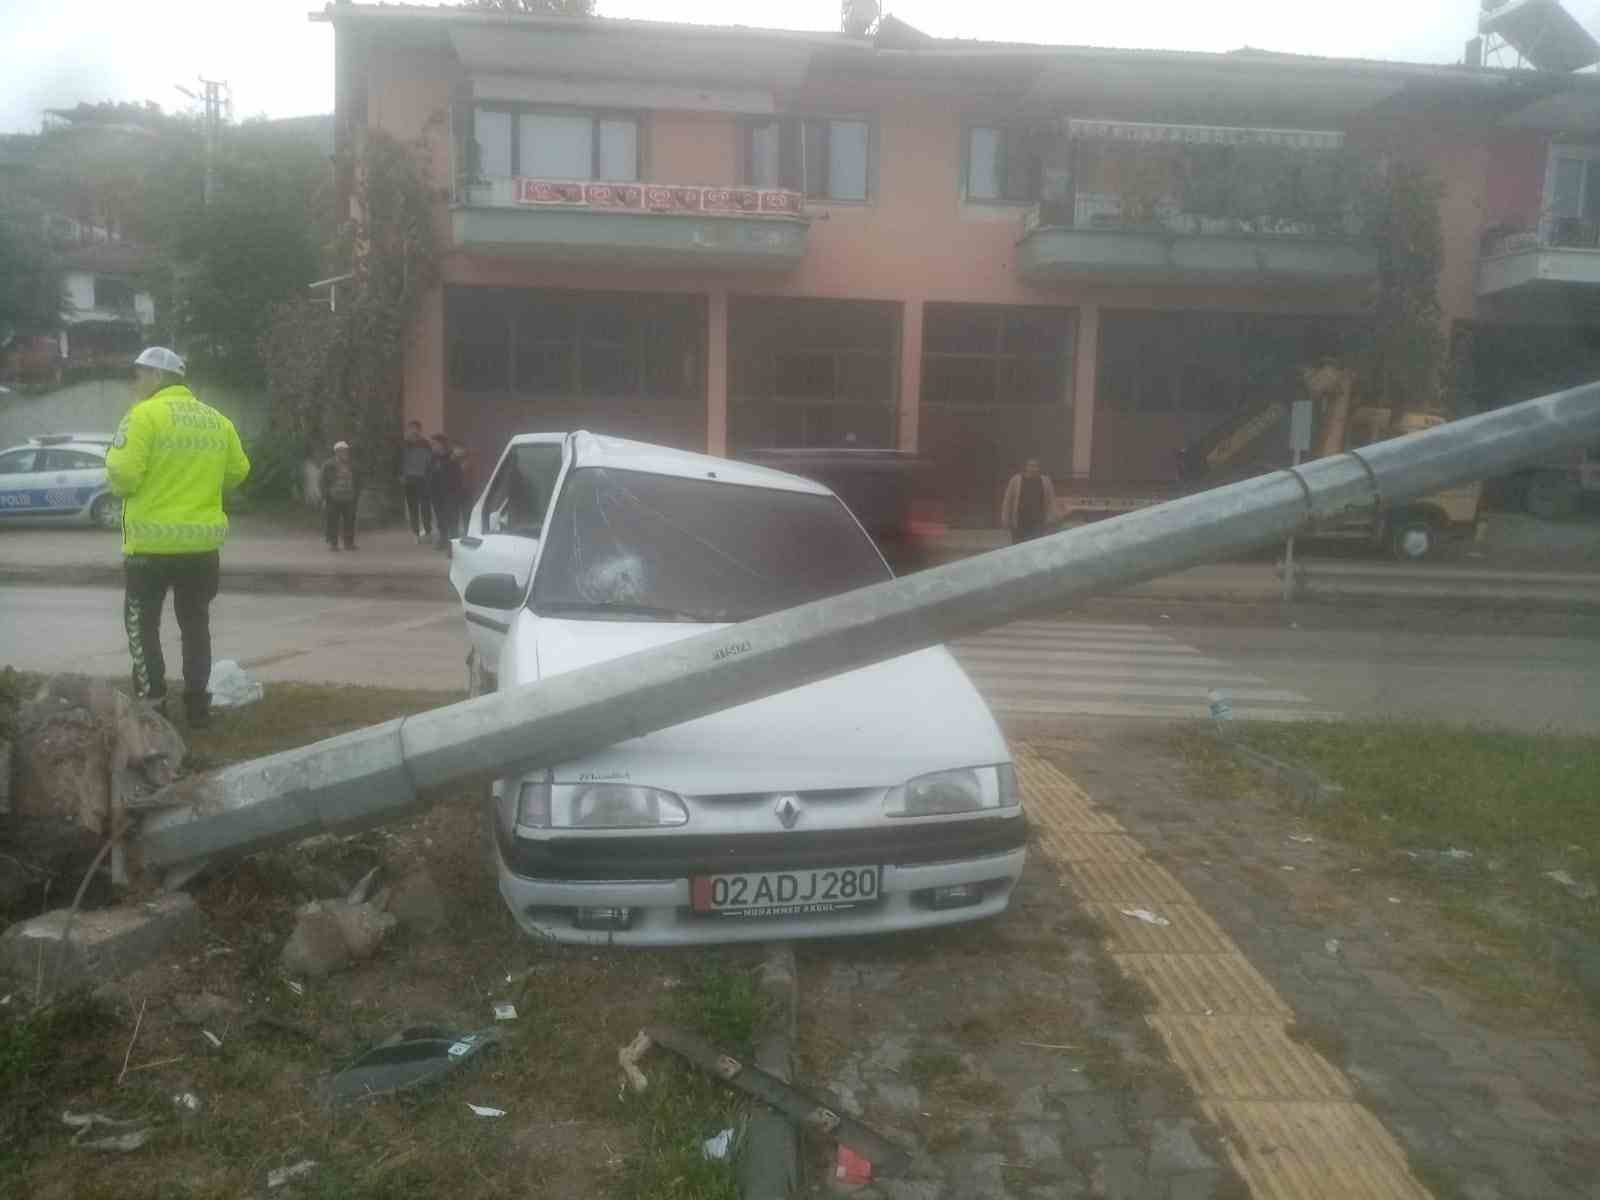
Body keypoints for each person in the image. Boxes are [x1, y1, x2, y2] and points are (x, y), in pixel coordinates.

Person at [105, 346, 250, 728]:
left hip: (149, 550)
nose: (133, 383)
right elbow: (238, 471)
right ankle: (198, 708)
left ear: (156, 377)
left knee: (143, 626)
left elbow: (122, 476)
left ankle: (153, 709)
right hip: (201, 549)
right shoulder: (217, 420)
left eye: (137, 375)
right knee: (196, 625)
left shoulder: (142, 417)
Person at [1000, 457, 1057, 545]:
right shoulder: (1015, 480)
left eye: (1036, 466)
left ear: (1039, 468)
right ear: (1026, 467)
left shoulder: (1045, 481)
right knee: (1018, 547)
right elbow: (1007, 501)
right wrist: (1005, 518)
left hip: (1038, 522)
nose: (1033, 468)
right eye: (1031, 466)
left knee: (1035, 547)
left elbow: (1051, 501)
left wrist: (1051, 518)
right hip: (1019, 522)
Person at [319, 440, 362, 551]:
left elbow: (358, 480)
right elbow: (322, 481)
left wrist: (357, 493)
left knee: (350, 521)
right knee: (332, 521)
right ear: (336, 452)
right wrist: (325, 496)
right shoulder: (328, 465)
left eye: (346, 451)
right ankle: (333, 544)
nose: (344, 453)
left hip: (349, 497)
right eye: (342, 451)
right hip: (333, 498)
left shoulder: (353, 464)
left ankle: (349, 543)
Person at [426, 433, 463, 551]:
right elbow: (428, 473)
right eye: (432, 444)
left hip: (450, 494)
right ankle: (443, 540)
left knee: (452, 520)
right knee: (440, 519)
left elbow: (457, 476)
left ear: (441, 444)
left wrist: (456, 492)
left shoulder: (452, 458)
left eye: (434, 444)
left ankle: (453, 545)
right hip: (437, 494)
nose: (433, 446)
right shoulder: (433, 458)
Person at [397, 420, 432, 543]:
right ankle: (416, 533)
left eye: (416, 428)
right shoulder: (403, 444)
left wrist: (429, 475)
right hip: (409, 479)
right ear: (408, 430)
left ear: (420, 430)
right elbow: (398, 460)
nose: (414, 431)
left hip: (423, 479)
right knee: (413, 507)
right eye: (411, 428)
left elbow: (430, 461)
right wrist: (400, 475)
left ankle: (428, 531)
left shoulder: (426, 444)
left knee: (425, 506)